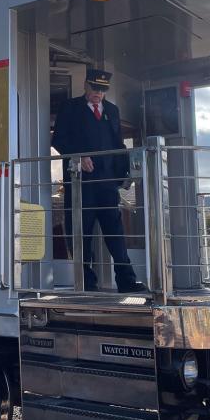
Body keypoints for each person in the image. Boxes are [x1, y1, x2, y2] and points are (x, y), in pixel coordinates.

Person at [51, 68, 146, 293]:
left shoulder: (112, 110)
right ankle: (86, 282)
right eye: (94, 88)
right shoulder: (70, 108)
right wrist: (79, 156)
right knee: (81, 233)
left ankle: (126, 280)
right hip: (80, 185)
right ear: (85, 85)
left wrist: (125, 175)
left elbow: (118, 145)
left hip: (107, 184)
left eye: (102, 90)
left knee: (115, 233)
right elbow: (59, 140)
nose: (98, 94)